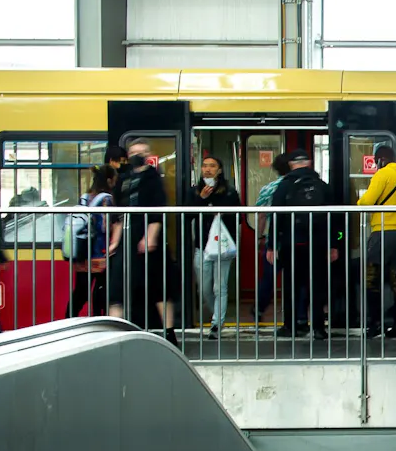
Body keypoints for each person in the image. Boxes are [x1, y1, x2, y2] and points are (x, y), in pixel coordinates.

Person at [107, 139, 179, 345]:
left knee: (159, 286)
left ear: (148, 155)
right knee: (117, 288)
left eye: (141, 152)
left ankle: (169, 332)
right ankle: (115, 334)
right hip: (128, 236)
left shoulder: (153, 178)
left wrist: (151, 236)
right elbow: (119, 214)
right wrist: (115, 241)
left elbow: (157, 209)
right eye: (133, 152)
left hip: (147, 235)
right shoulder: (124, 178)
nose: (137, 156)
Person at [265, 150, 334, 339]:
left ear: (291, 164)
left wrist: (272, 245)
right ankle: (318, 328)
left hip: (292, 243)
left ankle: (290, 326)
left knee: (291, 286)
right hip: (318, 244)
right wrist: (334, 244)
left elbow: (276, 216)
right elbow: (333, 218)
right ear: (309, 163)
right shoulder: (322, 185)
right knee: (316, 286)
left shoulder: (284, 185)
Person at [359, 143, 396, 338]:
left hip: (382, 232)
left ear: (381, 160)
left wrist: (359, 202)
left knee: (372, 279)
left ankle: (375, 324)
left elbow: (366, 201)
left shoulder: (383, 174)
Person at [187, 154, 242, 338]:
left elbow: (238, 218)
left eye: (212, 166)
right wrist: (202, 199)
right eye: (204, 166)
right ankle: (215, 316)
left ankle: (217, 324)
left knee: (220, 287)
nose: (207, 169)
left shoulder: (229, 192)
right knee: (204, 289)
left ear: (219, 170)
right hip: (202, 246)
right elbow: (188, 215)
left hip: (222, 247)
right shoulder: (194, 192)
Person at [67, 164, 118, 317]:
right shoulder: (106, 199)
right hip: (99, 252)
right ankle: (98, 318)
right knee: (101, 289)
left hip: (82, 251)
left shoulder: (84, 197)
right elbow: (105, 226)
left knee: (81, 291)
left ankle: (69, 318)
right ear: (109, 181)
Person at [252, 152, 291, 326]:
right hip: (296, 239)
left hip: (274, 239)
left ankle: (259, 308)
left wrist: (259, 236)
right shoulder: (300, 186)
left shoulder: (268, 188)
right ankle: (297, 315)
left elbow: (261, 215)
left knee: (268, 277)